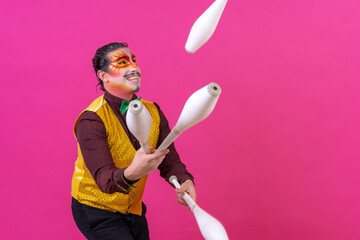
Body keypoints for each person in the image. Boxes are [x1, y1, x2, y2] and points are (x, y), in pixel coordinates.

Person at [71, 42, 196, 240]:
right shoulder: (92, 120)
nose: (133, 67)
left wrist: (184, 180)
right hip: (95, 209)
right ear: (103, 76)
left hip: (132, 208)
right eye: (122, 62)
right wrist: (132, 172)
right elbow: (105, 180)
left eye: (134, 60)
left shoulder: (153, 111)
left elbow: (169, 160)